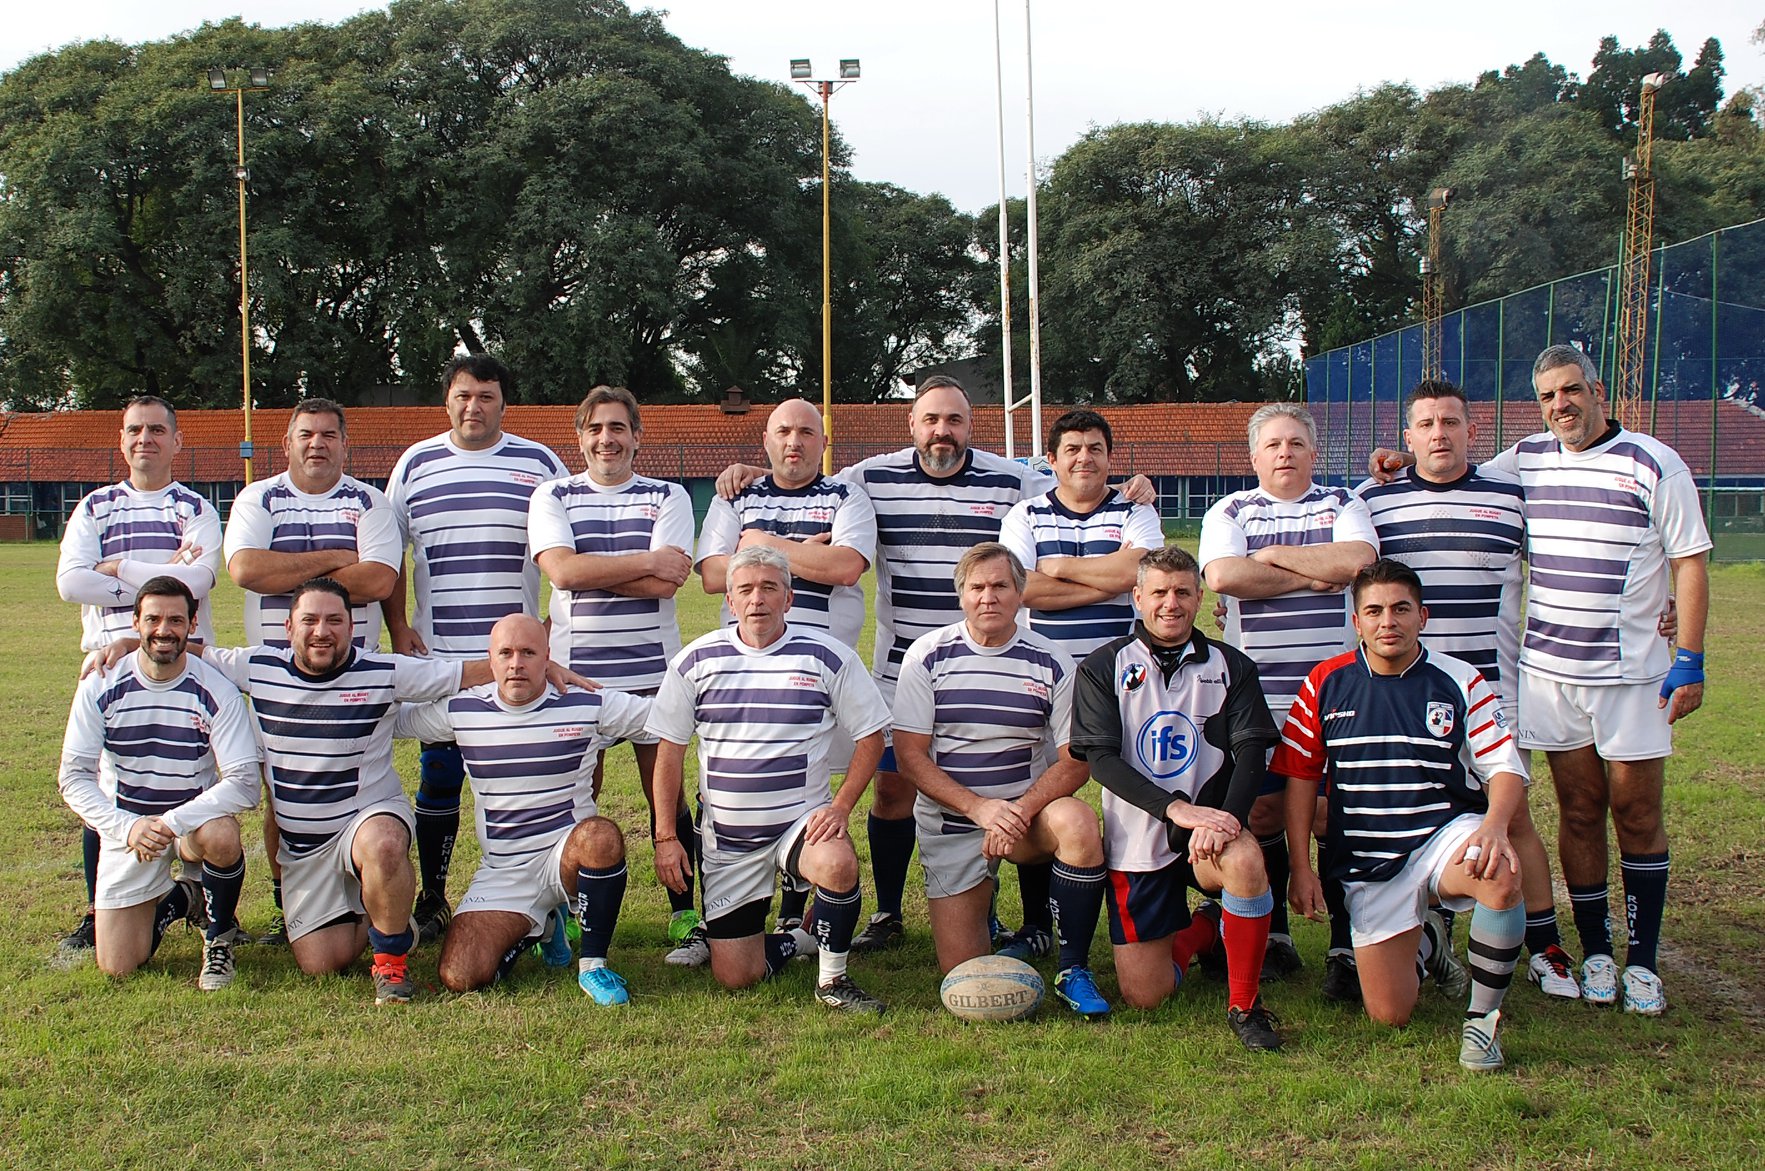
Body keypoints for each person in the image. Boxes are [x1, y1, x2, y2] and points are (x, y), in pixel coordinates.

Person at [716, 376, 1152, 954]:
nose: (941, 431)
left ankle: (1031, 924)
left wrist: (1131, 483)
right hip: (905, 664)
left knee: (1023, 781)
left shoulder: (1011, 478)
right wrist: (745, 472)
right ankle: (891, 913)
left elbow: (1075, 479)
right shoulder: (869, 477)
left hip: (993, 661)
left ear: (971, 426)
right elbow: (798, 472)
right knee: (895, 789)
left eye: (954, 420)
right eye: (930, 420)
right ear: (912, 425)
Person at [1368, 345, 1711, 1015]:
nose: (1561, 404)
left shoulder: (1653, 462)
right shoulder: (1525, 458)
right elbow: (1447, 467)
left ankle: (1641, 961)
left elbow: (1690, 561)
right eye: (1549, 395)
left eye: (1571, 390)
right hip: (1548, 675)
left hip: (1631, 675)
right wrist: (1400, 462)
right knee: (1578, 811)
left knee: (1636, 813)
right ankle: (1596, 953)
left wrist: (1689, 655)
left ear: (1597, 391)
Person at [183, 579, 576, 1004]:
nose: (322, 631)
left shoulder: (383, 671)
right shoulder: (256, 666)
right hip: (304, 848)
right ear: (288, 626)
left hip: (365, 819)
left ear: (352, 628)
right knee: (321, 963)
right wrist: (126, 643)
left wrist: (535, 668)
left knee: (384, 843)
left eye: (335, 620)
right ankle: (387, 912)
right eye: (310, 620)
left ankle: (390, 964)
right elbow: (188, 650)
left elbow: (458, 674)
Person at [1352, 379, 1589, 1004]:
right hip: (1404, 692)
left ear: (1471, 432)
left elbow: (1568, 563)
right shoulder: (1373, 501)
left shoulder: (1512, 496)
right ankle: (1425, 931)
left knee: (1509, 819)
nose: (1439, 434)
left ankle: (1545, 947)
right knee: (1414, 811)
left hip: (1491, 686)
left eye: (1450, 423)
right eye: (1425, 424)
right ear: (1406, 438)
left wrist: (1655, 604)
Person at [1276, 559, 1530, 1072]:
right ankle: (1429, 938)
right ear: (1356, 621)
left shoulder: (1460, 681)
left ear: (1423, 617)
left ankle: (1482, 1026)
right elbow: (1300, 779)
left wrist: (1495, 827)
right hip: (1368, 859)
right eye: (1374, 611)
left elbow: (1505, 767)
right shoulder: (1325, 683)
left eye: (1400, 609)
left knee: (1499, 874)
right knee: (1389, 1014)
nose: (1387, 621)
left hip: (1442, 835)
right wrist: (1301, 867)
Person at [646, 546, 892, 1014]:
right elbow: (669, 752)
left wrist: (838, 809)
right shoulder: (696, 661)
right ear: (731, 602)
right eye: (745, 590)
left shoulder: (827, 656)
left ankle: (832, 981)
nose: (757, 599)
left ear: (789, 598)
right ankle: (795, 940)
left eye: (769, 588)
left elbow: (872, 737)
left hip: (799, 826)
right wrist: (664, 836)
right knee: (737, 976)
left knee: (837, 864)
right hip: (728, 841)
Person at [383, 354, 569, 947]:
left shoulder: (540, 462)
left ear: (503, 403)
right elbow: (389, 558)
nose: (474, 406)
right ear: (447, 401)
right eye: (463, 395)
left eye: (486, 395)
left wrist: (549, 634)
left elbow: (565, 548)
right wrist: (396, 630)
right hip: (443, 654)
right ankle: (434, 895)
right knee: (440, 775)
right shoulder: (415, 463)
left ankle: (549, 897)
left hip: (516, 661)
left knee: (528, 779)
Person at [1068, 546, 1285, 1052]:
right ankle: (1207, 928)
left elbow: (1253, 750)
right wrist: (1174, 808)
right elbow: (1100, 761)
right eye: (1160, 592)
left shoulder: (1233, 666)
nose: (1172, 603)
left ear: (1200, 596)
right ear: (1138, 597)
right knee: (1146, 995)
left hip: (1210, 827)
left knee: (1247, 858)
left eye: (1183, 592)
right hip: (1139, 835)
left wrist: (1225, 820)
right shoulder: (1103, 667)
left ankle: (1245, 1006)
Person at [1198, 402, 1378, 979]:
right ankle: (1274, 933)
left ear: (1313, 452)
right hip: (1259, 696)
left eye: (1296, 443)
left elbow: (1361, 560)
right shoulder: (1229, 508)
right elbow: (1225, 577)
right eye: (1273, 445)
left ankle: (1347, 945)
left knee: (1337, 815)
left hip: (1339, 695)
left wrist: (1270, 560)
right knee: (1267, 811)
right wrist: (1314, 573)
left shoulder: (1343, 503)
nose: (1284, 454)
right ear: (1254, 456)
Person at [893, 543, 1110, 1016]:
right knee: (965, 975)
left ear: (1020, 593)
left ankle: (1073, 967)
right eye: (977, 588)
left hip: (1021, 822)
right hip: (955, 825)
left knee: (1076, 822)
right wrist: (978, 809)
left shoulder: (1053, 660)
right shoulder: (926, 656)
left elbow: (1077, 760)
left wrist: (1016, 812)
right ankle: (983, 909)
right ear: (961, 596)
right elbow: (909, 757)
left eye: (1000, 586)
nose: (988, 597)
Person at [528, 385, 703, 962]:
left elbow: (667, 582)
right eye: (596, 428)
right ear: (580, 437)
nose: (607, 439)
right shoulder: (552, 493)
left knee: (668, 801)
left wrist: (587, 570)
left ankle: (685, 915)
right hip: (577, 678)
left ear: (636, 435)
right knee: (580, 798)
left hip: (655, 674)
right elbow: (560, 571)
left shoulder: (667, 494)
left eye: (618, 428)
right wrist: (643, 561)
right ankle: (574, 915)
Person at [395, 615, 650, 1004]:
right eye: (506, 653)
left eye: (529, 653)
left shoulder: (586, 702)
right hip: (505, 871)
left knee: (599, 836)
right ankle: (546, 927)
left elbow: (664, 718)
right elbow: (390, 721)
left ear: (548, 658)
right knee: (460, 975)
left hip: (567, 857)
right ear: (490, 659)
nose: (516, 664)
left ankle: (593, 965)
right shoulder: (461, 710)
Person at [223, 398, 401, 945]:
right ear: (288, 444)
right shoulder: (260, 497)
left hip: (355, 675)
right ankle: (291, 909)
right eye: (306, 435)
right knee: (284, 793)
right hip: (278, 675)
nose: (317, 444)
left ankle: (366, 897)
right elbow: (247, 569)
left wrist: (292, 567)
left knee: (360, 787)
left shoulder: (370, 501)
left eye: (328, 435)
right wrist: (333, 555)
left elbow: (378, 582)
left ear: (346, 444)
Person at [697, 397, 877, 934]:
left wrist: (761, 545)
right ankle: (719, 918)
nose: (794, 442)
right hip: (745, 668)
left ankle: (795, 923)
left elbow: (845, 567)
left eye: (806, 432)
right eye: (782, 432)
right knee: (726, 785)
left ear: (824, 444)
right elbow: (711, 574)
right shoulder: (737, 495)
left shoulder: (848, 495)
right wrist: (804, 553)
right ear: (767, 442)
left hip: (820, 670)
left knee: (810, 788)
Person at [54, 396, 223, 957]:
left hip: (185, 653)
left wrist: (121, 570)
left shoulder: (194, 507)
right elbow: (71, 583)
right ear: (121, 440)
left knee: (196, 780)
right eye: (134, 430)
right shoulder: (96, 506)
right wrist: (159, 586)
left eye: (156, 430)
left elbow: (199, 578)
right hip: (108, 661)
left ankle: (201, 900)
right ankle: (96, 907)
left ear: (177, 441)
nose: (144, 439)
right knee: (109, 780)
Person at [57, 577, 257, 989]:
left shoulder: (216, 688)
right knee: (118, 964)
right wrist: (128, 827)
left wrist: (171, 823)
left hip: (188, 827)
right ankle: (184, 898)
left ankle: (219, 938)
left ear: (192, 623)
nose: (164, 629)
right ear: (136, 622)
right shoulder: (101, 684)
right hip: (131, 830)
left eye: (176, 620)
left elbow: (244, 783)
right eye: (153, 619)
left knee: (222, 834)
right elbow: (73, 777)